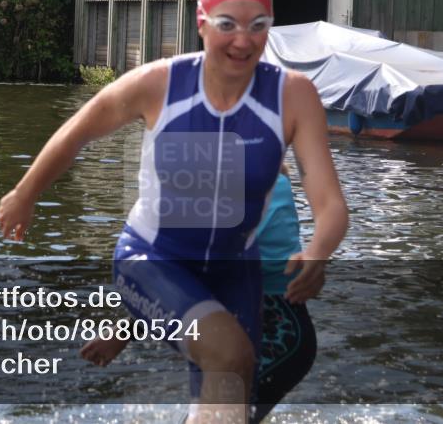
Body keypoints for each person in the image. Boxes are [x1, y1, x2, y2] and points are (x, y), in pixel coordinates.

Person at [0, 0, 348, 424]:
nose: (243, 41)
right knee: (230, 356)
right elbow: (76, 132)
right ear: (201, 23)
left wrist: (319, 249)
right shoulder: (160, 83)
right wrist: (26, 193)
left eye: (257, 26)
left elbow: (328, 200)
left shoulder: (293, 95)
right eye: (227, 25)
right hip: (152, 258)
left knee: (229, 406)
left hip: (234, 271)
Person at [80, 165, 318, 424]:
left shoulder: (263, 191)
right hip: (244, 339)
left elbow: (203, 271)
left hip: (280, 337)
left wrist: (124, 332)